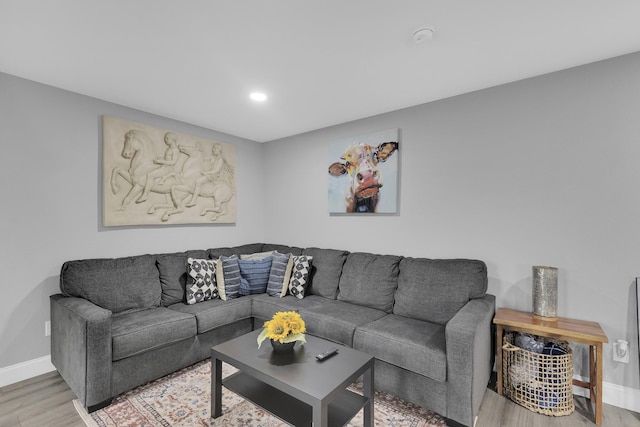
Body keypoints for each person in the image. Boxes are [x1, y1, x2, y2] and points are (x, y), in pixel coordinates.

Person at [137, 132, 180, 203]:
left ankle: (145, 195)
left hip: (168, 169)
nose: (165, 140)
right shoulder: (169, 148)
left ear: (172, 139)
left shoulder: (175, 150)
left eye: (167, 138)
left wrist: (160, 161)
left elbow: (173, 162)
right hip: (164, 166)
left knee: (150, 175)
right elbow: (167, 158)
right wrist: (160, 158)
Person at [186, 143, 224, 207]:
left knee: (198, 181)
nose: (213, 150)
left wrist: (206, 173)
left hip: (214, 176)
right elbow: (204, 158)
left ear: (219, 150)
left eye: (214, 148)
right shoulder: (212, 157)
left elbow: (216, 171)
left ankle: (193, 201)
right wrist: (201, 150)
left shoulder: (220, 160)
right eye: (213, 148)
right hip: (209, 174)